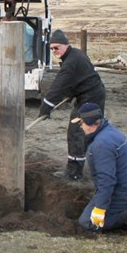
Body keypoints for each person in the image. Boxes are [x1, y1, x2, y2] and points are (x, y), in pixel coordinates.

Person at [39, 29, 106, 180]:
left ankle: (74, 173)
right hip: (91, 95)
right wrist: (72, 93)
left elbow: (59, 85)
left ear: (65, 45)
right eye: (52, 48)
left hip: (90, 99)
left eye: (57, 47)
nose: (54, 51)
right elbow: (80, 78)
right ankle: (94, 167)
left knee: (77, 131)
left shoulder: (70, 62)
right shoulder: (75, 54)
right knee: (89, 133)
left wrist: (46, 106)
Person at [74, 103, 127, 234]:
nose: (80, 126)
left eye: (81, 123)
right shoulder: (109, 131)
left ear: (91, 123)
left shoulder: (102, 144)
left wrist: (100, 208)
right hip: (126, 189)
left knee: (87, 222)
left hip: (120, 194)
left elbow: (107, 181)